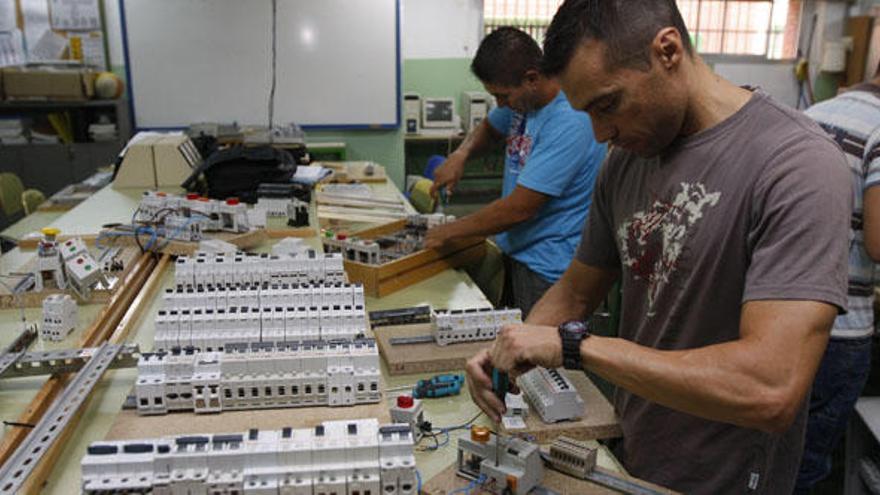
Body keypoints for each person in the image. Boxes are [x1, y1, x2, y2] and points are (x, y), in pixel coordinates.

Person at [464, 1, 851, 493]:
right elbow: (577, 290)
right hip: (638, 448)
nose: (601, 133)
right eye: (587, 114)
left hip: (727, 476)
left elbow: (769, 388)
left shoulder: (795, 165)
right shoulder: (626, 159)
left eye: (607, 104)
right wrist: (510, 344)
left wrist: (572, 347)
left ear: (667, 50)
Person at [424, 27, 606, 317]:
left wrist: (450, 231)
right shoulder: (524, 102)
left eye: (502, 96)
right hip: (515, 253)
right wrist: (461, 154)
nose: (500, 105)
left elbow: (519, 209)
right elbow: (489, 127)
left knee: (539, 358)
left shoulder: (570, 121)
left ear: (532, 78)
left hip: (548, 269)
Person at [794, 63, 880, 493]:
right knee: (809, 467)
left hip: (780, 318)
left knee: (772, 456)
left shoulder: (813, 115)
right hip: (840, 329)